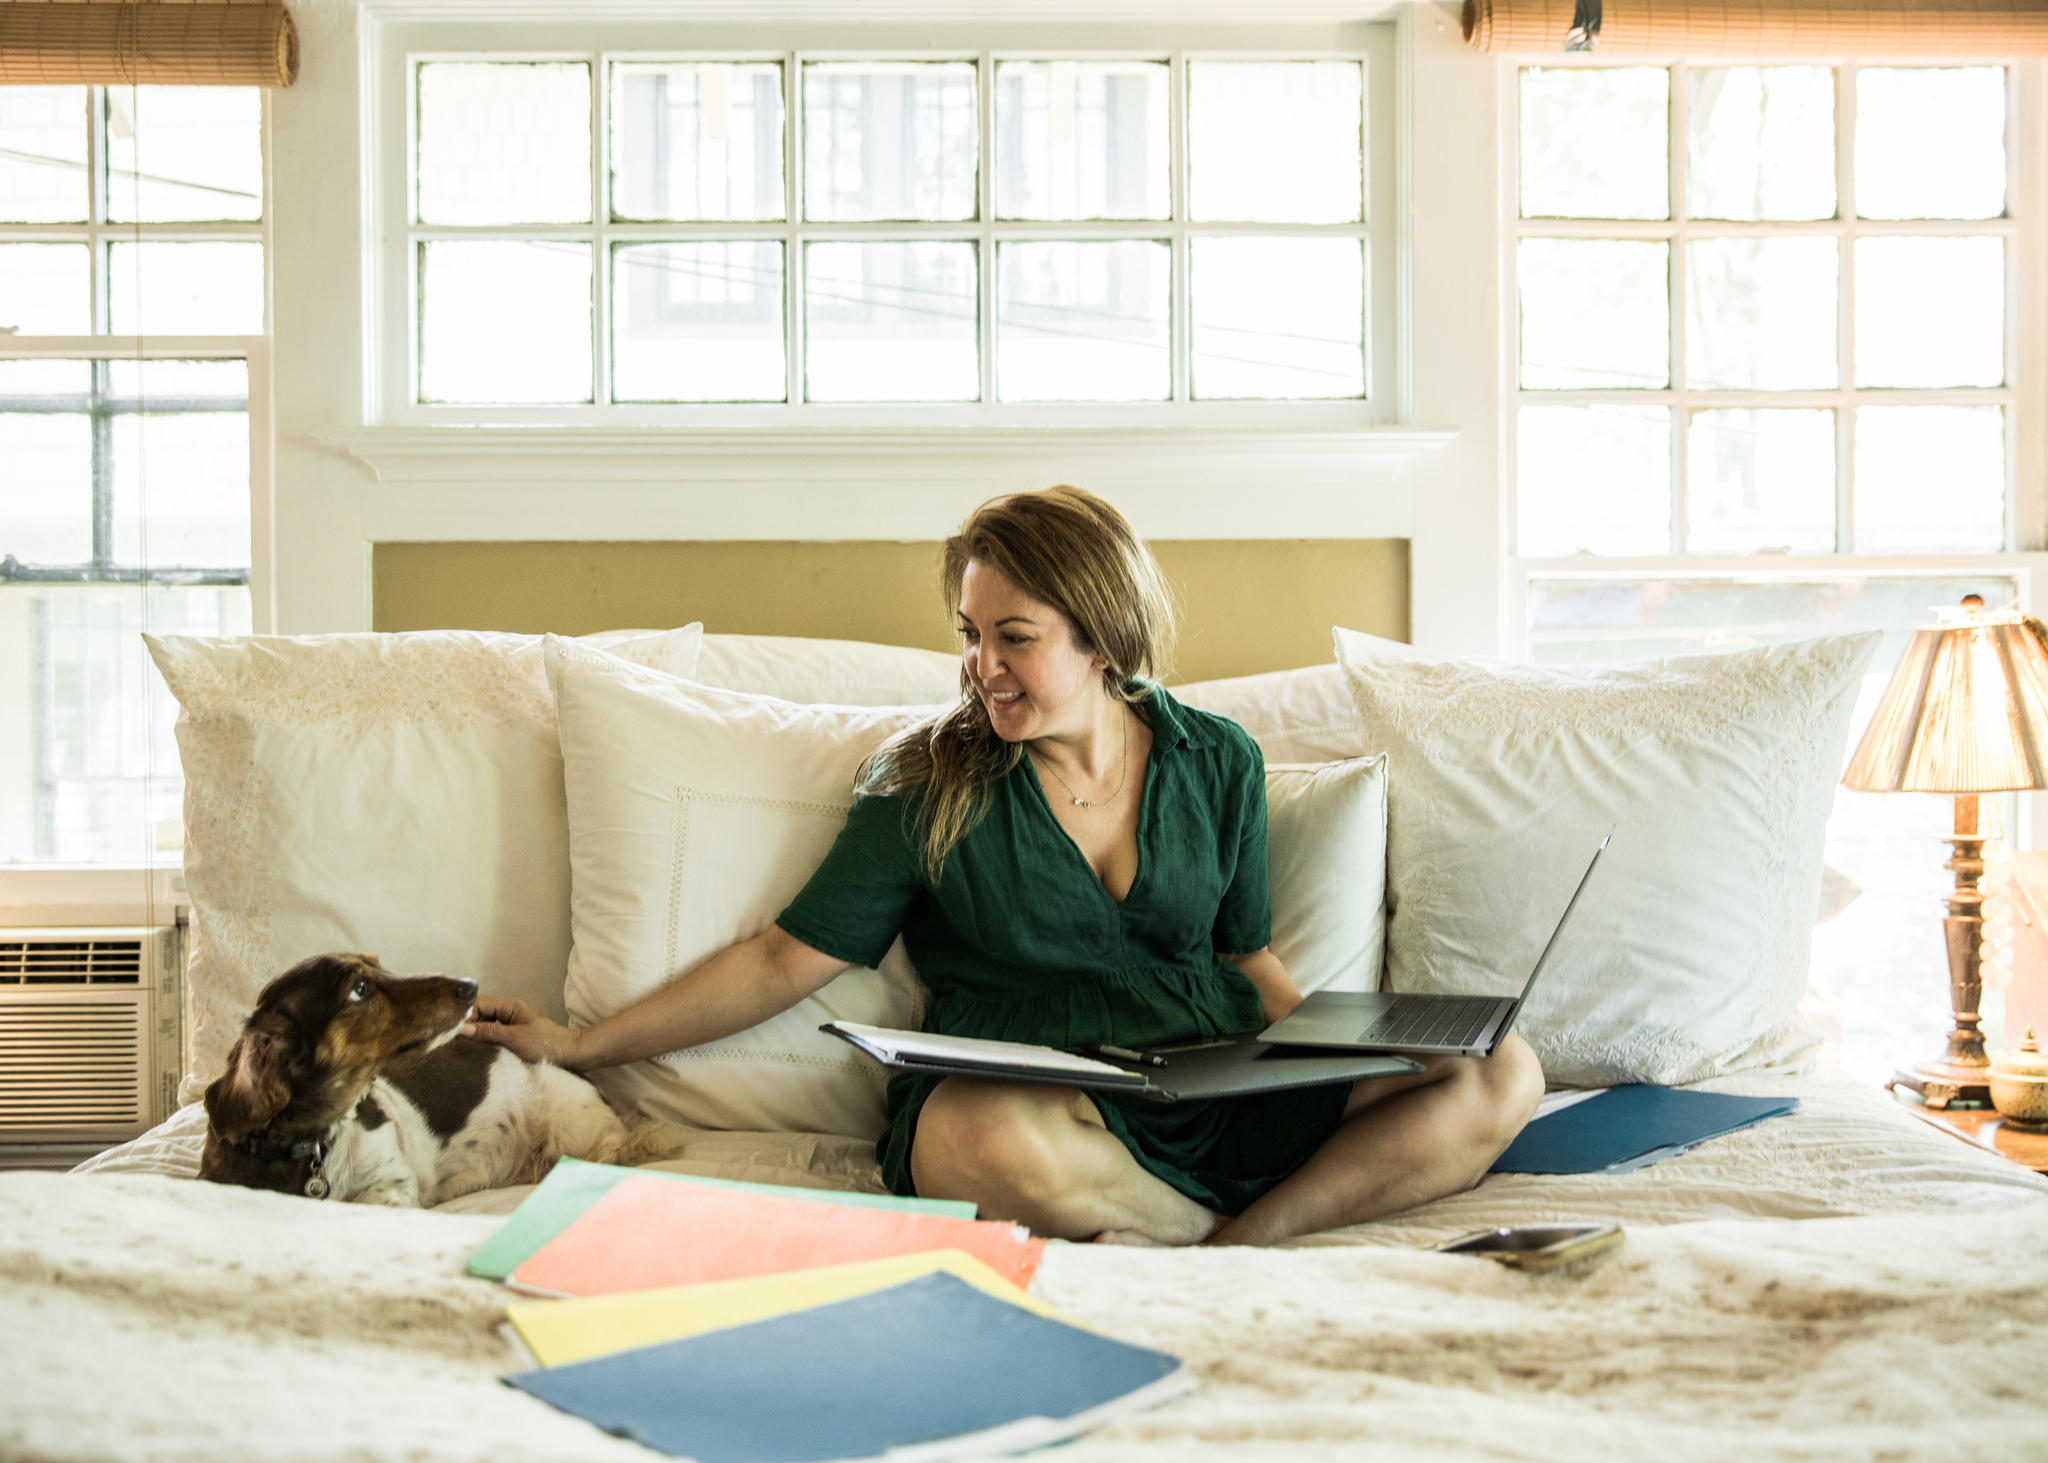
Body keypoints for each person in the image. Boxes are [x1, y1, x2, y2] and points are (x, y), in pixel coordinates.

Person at [464, 486, 1544, 1246]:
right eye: (970, 633)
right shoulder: (927, 781)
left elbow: (1246, 957)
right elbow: (784, 958)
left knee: (1502, 1068)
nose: (981, 665)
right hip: (1043, 1106)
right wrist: (579, 1042)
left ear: (1099, 636)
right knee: (966, 1135)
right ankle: (1225, 1232)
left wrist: (1322, 1054)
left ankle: (1238, 1239)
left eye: (1013, 636)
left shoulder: (1217, 758)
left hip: (1212, 1076)